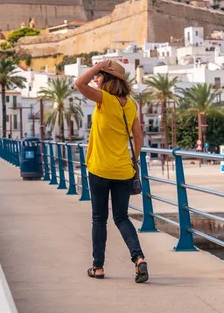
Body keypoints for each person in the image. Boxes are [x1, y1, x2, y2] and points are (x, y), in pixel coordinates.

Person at [75, 59, 148, 284]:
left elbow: (79, 83)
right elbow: (138, 136)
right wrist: (134, 159)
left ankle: (98, 267)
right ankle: (139, 259)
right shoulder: (131, 104)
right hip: (123, 170)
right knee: (122, 217)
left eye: (100, 76)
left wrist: (96, 67)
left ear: (108, 79)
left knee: (99, 218)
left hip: (99, 168)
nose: (96, 80)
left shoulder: (104, 99)